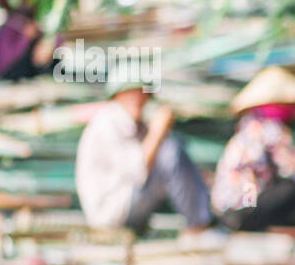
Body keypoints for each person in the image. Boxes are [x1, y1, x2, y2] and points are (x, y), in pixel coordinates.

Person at [211, 66, 295, 231]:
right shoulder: (269, 130)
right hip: (244, 210)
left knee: (293, 191)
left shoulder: (248, 128)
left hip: (229, 212)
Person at [75, 74, 212, 233]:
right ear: (119, 94)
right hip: (111, 213)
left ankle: (202, 219)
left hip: (127, 205)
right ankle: (200, 226)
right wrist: (158, 131)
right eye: (135, 93)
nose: (140, 99)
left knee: (172, 150)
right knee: (170, 151)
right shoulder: (108, 123)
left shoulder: (135, 124)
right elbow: (139, 171)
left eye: (143, 94)